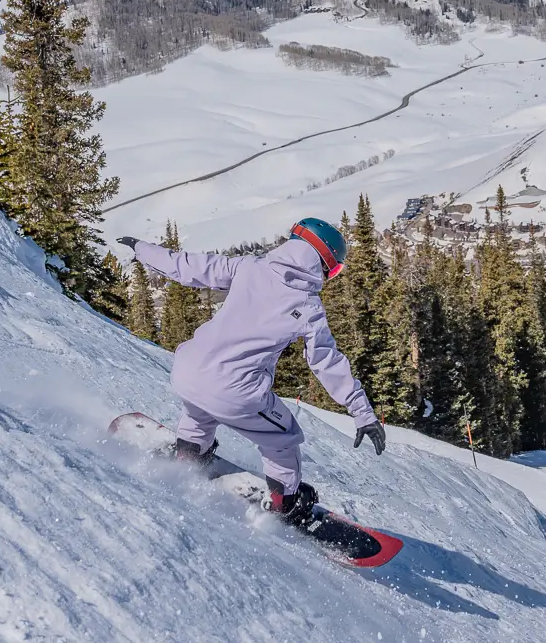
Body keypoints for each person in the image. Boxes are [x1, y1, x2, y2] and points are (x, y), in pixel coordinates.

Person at [116, 218, 386, 522]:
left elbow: (190, 266)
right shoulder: (309, 307)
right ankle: (286, 501)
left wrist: (141, 249)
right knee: (284, 436)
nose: (331, 276)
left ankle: (190, 452)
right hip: (234, 390)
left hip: (187, 371)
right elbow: (327, 362)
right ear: (323, 261)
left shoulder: (249, 267)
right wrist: (363, 414)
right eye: (333, 269)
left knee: (199, 411)